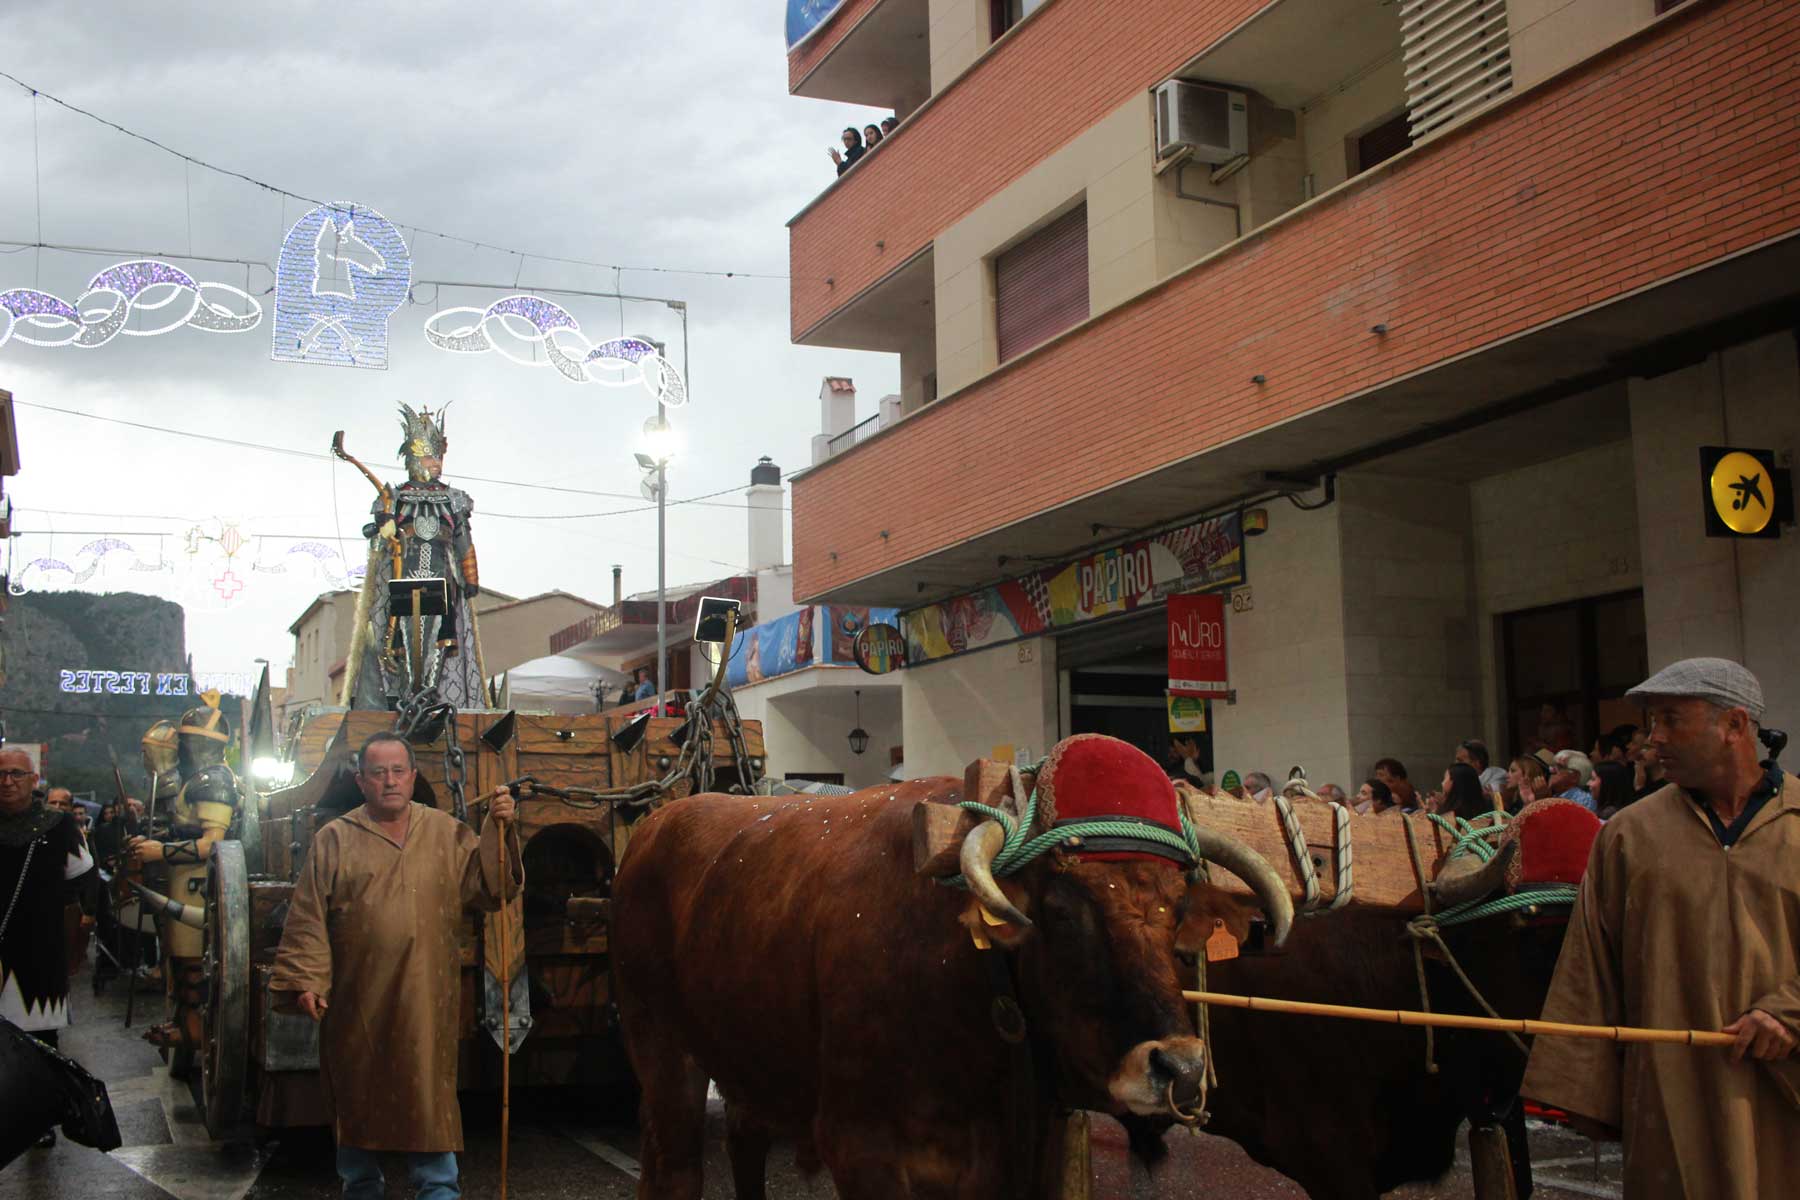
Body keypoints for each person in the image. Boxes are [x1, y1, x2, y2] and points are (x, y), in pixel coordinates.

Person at [1523, 657, 1800, 1198]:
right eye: (1652, 723)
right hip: (1671, 1097)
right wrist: (1584, 1092)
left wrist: (1789, 1011)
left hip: (1785, 1086)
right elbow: (1588, 968)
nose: (1653, 740)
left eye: (1671, 719)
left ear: (1735, 726)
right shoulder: (1629, 835)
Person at [270, 732, 521, 1199]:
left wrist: (499, 829)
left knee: (428, 1099)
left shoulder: (447, 833)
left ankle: (439, 1191)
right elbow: (308, 916)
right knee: (357, 1095)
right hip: (355, 1003)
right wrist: (305, 978)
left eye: (398, 771)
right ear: (361, 781)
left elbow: (493, 889)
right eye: (378, 773)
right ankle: (362, 1188)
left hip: (427, 999)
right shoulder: (335, 840)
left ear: (413, 776)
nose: (390, 781)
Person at [129, 698, 243, 1056]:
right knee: (179, 963)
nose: (186, 749)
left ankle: (193, 1029)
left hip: (200, 885)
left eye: (193, 743)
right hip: (185, 882)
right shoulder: (194, 782)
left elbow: (213, 844)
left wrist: (158, 852)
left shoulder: (214, 782)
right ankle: (183, 1021)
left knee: (194, 966)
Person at [0, 749, 96, 1147]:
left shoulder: (58, 827)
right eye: (1, 774)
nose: (8, 782)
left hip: (40, 947)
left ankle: (38, 1120)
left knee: (40, 1042)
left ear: (34, 779)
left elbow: (83, 876)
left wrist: (84, 923)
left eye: (17, 774)